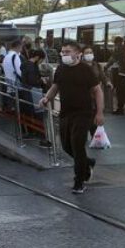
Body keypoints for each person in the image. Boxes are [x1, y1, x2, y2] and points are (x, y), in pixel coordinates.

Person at [39, 40, 104, 194]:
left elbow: (97, 91)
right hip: (66, 112)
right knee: (66, 146)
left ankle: (79, 180)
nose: (64, 55)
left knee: (77, 145)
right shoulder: (60, 69)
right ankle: (87, 162)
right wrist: (46, 98)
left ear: (77, 53)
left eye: (67, 52)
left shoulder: (86, 70)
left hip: (83, 113)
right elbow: (55, 86)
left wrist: (100, 112)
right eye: (63, 52)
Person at [21, 49, 51, 148]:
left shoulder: (25, 63)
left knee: (31, 113)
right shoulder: (32, 66)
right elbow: (33, 81)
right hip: (34, 92)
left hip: (27, 92)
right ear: (38, 57)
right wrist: (42, 80)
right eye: (41, 60)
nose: (41, 62)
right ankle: (43, 139)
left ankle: (32, 132)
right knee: (39, 115)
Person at [82, 46, 112, 138]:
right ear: (82, 55)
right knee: (84, 116)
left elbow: (103, 76)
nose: (89, 54)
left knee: (94, 114)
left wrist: (107, 82)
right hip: (83, 95)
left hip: (95, 95)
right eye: (87, 53)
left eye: (90, 52)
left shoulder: (97, 65)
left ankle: (94, 136)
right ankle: (82, 135)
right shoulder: (80, 66)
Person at [104, 36, 125, 115]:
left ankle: (120, 109)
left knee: (120, 91)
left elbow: (112, 60)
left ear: (116, 42)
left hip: (121, 73)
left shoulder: (118, 49)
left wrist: (106, 67)